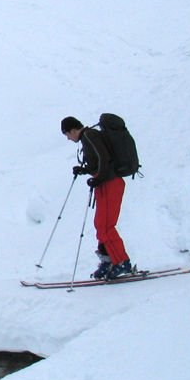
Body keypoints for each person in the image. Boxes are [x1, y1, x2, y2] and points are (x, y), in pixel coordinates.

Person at [61, 116, 133, 279]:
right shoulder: (88, 137)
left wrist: (98, 177)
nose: (68, 138)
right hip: (105, 184)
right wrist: (85, 170)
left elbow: (103, 159)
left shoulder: (89, 136)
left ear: (73, 130)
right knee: (100, 224)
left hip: (110, 184)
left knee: (106, 226)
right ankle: (108, 260)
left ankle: (122, 261)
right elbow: (98, 161)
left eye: (67, 134)